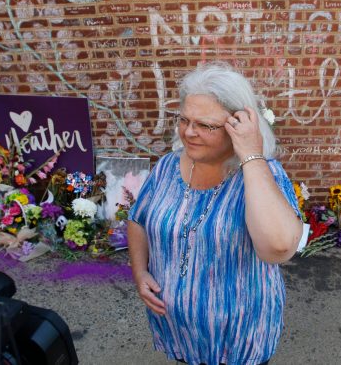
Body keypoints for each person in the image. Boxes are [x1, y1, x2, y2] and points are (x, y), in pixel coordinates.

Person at [128, 61, 304, 365]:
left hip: (239, 336)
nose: (189, 133)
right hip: (179, 330)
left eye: (205, 125)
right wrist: (140, 271)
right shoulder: (168, 167)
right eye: (184, 120)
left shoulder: (263, 176)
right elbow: (138, 219)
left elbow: (278, 248)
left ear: (239, 125)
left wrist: (250, 154)